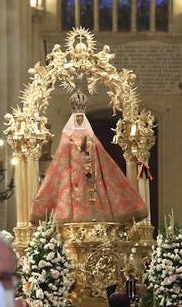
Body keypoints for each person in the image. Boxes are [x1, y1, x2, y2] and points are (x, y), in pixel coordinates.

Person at [30, 89, 146, 224]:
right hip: (72, 178)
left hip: (91, 178)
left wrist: (89, 144)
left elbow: (100, 153)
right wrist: (74, 145)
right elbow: (61, 155)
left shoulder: (90, 135)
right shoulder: (67, 135)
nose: (79, 120)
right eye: (77, 118)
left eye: (81, 117)